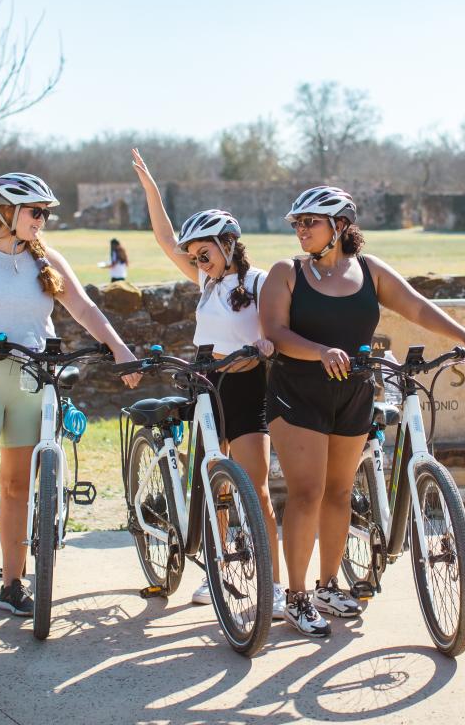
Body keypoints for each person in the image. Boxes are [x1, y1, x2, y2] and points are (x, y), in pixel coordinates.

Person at [259, 186, 465, 638]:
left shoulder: (369, 271)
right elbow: (274, 331)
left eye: (310, 222)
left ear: (341, 226)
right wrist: (320, 351)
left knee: (340, 493)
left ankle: (328, 585)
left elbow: (416, 306)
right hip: (297, 393)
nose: (300, 230)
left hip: (353, 393)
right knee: (307, 492)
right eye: (297, 223)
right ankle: (295, 596)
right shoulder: (285, 273)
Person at [0, 172, 141, 624]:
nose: (42, 221)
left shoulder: (48, 260)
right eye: (36, 212)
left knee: (18, 487)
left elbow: (83, 308)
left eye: (45, 213)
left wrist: (120, 348)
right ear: (5, 213)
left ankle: (12, 583)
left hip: (32, 379)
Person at [130, 148, 286, 620]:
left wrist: (266, 345)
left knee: (255, 488)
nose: (199, 260)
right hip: (205, 387)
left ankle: (274, 587)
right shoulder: (206, 282)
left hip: (245, 387)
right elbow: (164, 240)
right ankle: (217, 568)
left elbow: (276, 329)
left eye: (206, 252)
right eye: (195, 255)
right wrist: (153, 191)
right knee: (214, 483)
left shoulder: (259, 281)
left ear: (230, 243)